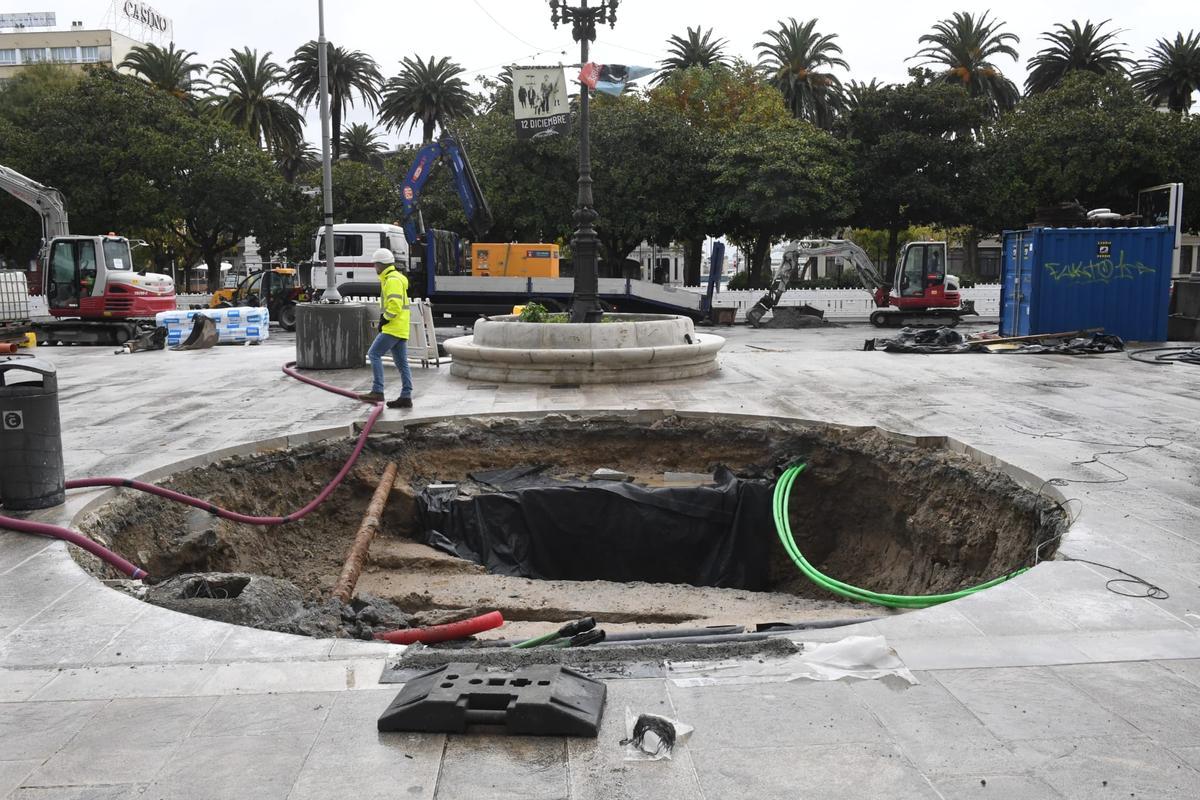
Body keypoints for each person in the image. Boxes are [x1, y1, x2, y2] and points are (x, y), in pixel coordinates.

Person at [358, 248, 413, 408]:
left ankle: (378, 391)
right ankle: (406, 396)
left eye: (375, 264)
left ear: (381, 264)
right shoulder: (394, 278)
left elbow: (394, 307)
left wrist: (385, 320)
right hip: (400, 327)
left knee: (373, 354)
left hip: (393, 327)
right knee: (402, 363)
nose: (374, 267)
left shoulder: (392, 280)